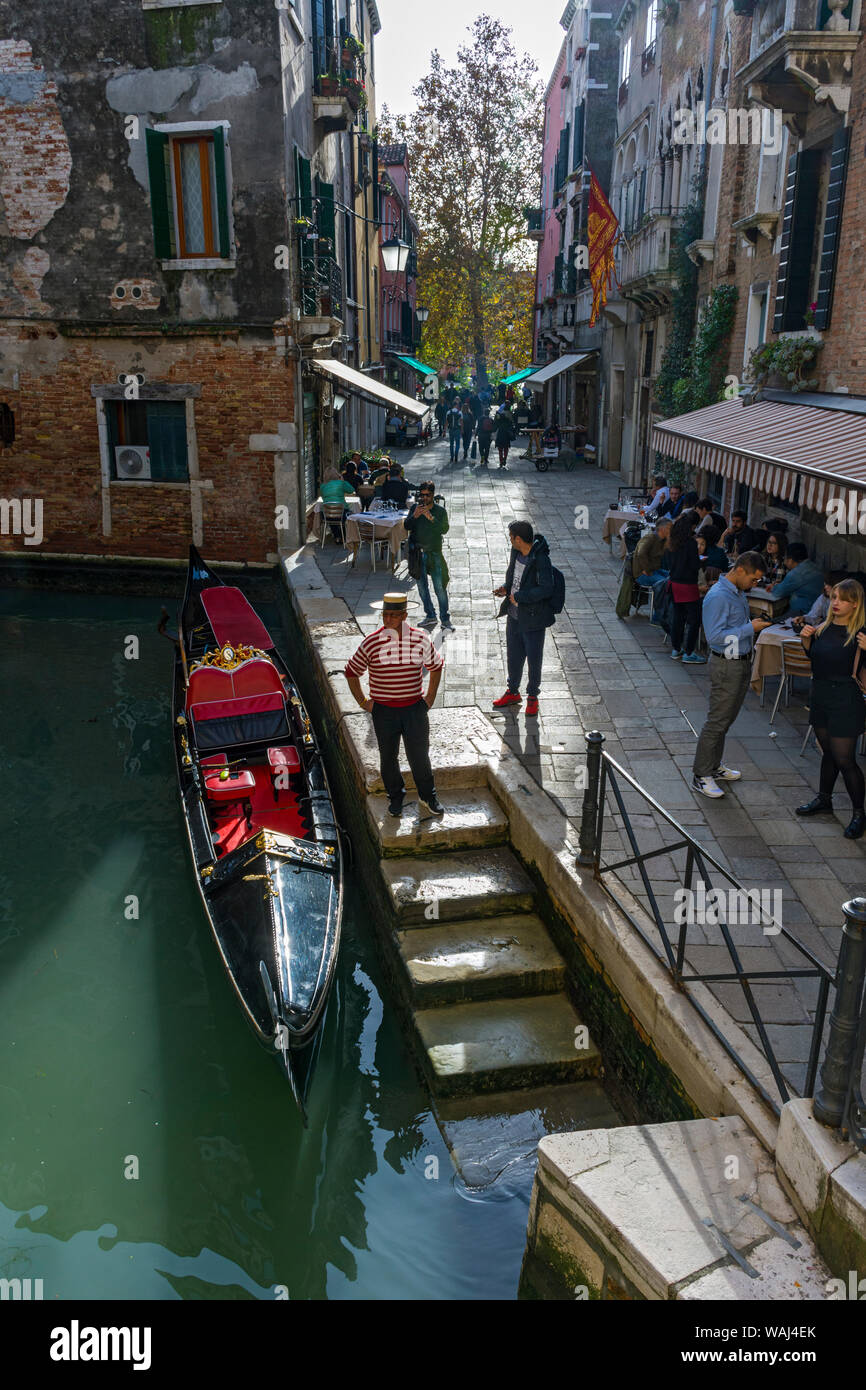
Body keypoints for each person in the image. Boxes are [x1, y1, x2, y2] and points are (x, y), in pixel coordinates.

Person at [344, 591, 445, 818]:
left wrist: (429, 698)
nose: (388, 620)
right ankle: (395, 797)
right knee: (388, 757)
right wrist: (363, 702)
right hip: (384, 711)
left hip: (414, 709)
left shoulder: (420, 639)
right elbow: (351, 672)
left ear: (404, 616)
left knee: (419, 755)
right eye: (385, 615)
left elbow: (436, 666)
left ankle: (428, 796)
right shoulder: (371, 643)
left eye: (393, 616)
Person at [691, 551, 770, 798]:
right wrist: (751, 627)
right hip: (726, 664)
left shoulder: (737, 592)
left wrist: (751, 624)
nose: (755, 585)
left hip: (740, 662)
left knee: (725, 720)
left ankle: (713, 767)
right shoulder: (718, 596)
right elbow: (714, 637)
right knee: (717, 721)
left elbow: (732, 626)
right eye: (754, 579)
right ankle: (701, 775)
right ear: (740, 570)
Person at [796, 579, 866, 838]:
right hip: (821, 694)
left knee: (845, 759)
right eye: (834, 596)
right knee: (829, 753)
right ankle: (824, 799)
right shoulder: (823, 628)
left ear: (855, 603)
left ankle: (859, 814)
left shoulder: (861, 633)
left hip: (846, 698)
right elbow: (815, 659)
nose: (835, 602)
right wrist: (806, 642)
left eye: (843, 598)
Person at [492, 521, 557, 718]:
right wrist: (506, 588)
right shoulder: (516, 553)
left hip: (533, 618)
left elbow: (547, 589)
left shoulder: (541, 559)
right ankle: (513, 692)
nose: (509, 539)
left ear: (518, 539)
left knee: (533, 658)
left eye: (511, 536)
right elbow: (514, 578)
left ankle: (532, 697)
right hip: (513, 615)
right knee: (514, 655)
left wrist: (520, 596)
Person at [405, 482, 452, 630]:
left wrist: (430, 517)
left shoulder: (440, 511)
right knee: (422, 588)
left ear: (432, 495)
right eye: (422, 495)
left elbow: (444, 529)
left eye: (427, 495)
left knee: (440, 587)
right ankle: (430, 615)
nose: (424, 498)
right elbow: (407, 526)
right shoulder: (414, 508)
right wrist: (415, 516)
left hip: (434, 553)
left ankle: (445, 618)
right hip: (418, 554)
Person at [664, 512, 706, 663]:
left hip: (674, 584)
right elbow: (694, 565)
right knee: (694, 620)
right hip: (688, 585)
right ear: (692, 527)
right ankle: (689, 651)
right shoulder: (690, 543)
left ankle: (676, 648)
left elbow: (668, 562)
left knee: (678, 619)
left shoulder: (672, 541)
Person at [765, 541, 824, 615]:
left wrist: (774, 587)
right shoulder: (813, 567)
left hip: (802, 613)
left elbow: (778, 592)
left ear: (790, 560)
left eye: (785, 558)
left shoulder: (796, 573)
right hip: (816, 611)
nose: (785, 562)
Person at [633, 516, 672, 588]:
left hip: (655, 570)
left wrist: (668, 540)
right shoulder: (650, 538)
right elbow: (641, 553)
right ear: (662, 529)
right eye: (669, 528)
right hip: (643, 573)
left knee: (675, 577)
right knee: (666, 583)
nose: (671, 530)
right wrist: (647, 570)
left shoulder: (663, 540)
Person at [320, 466, 355, 540]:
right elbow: (351, 490)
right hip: (342, 514)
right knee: (350, 513)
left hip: (327, 515)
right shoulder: (341, 483)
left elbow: (324, 498)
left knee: (331, 516)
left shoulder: (322, 486)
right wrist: (343, 481)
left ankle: (337, 536)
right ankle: (345, 536)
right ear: (337, 474)